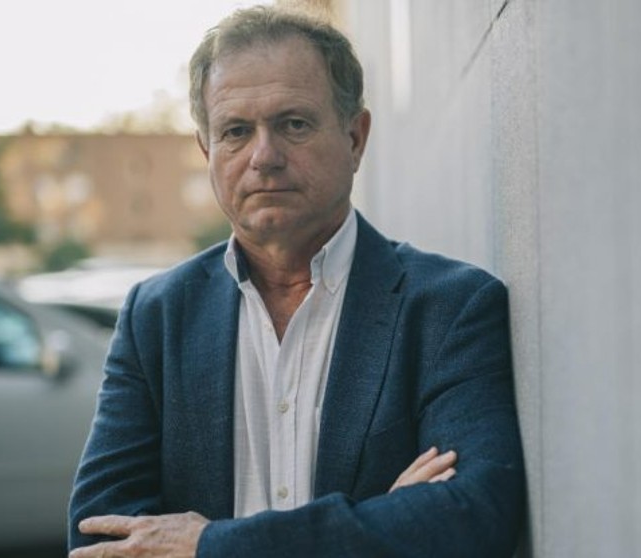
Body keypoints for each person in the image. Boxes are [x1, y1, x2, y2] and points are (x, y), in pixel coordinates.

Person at [67, 6, 525, 557]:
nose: (264, 156)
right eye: (236, 131)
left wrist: (211, 545)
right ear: (207, 152)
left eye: (294, 124)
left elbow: (472, 517)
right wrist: (378, 520)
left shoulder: (450, 308)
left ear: (355, 138)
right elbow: (99, 537)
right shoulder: (156, 316)